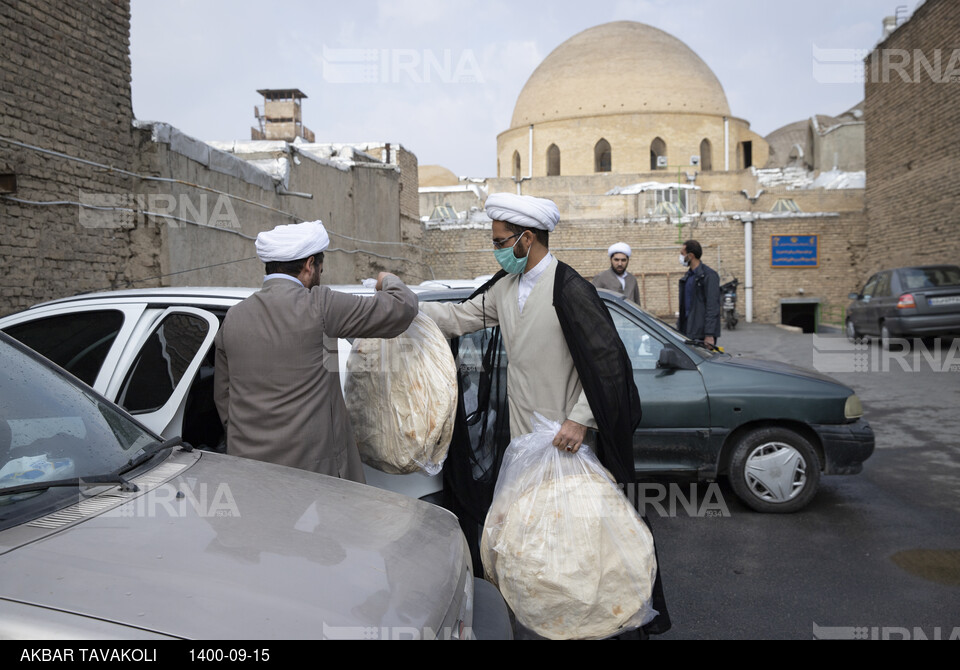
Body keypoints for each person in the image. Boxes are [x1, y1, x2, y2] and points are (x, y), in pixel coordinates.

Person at [419, 192, 670, 636]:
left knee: (578, 548)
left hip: (565, 443)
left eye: (500, 241)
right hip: (523, 443)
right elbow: (458, 318)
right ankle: (547, 621)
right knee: (531, 544)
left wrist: (580, 418)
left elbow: (610, 364)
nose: (496, 249)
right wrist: (403, 307)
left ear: (526, 238)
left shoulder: (570, 289)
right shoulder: (506, 287)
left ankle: (590, 624)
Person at [213, 220, 418, 483]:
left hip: (249, 471)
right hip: (314, 476)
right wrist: (387, 279)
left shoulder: (234, 317)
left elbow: (224, 395)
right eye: (321, 268)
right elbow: (402, 308)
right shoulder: (320, 305)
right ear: (310, 265)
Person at [676, 239, 721, 346]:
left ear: (690, 255)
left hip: (701, 333)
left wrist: (709, 334)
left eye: (682, 254)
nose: (681, 257)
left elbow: (712, 306)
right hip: (687, 330)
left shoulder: (709, 276)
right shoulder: (687, 277)